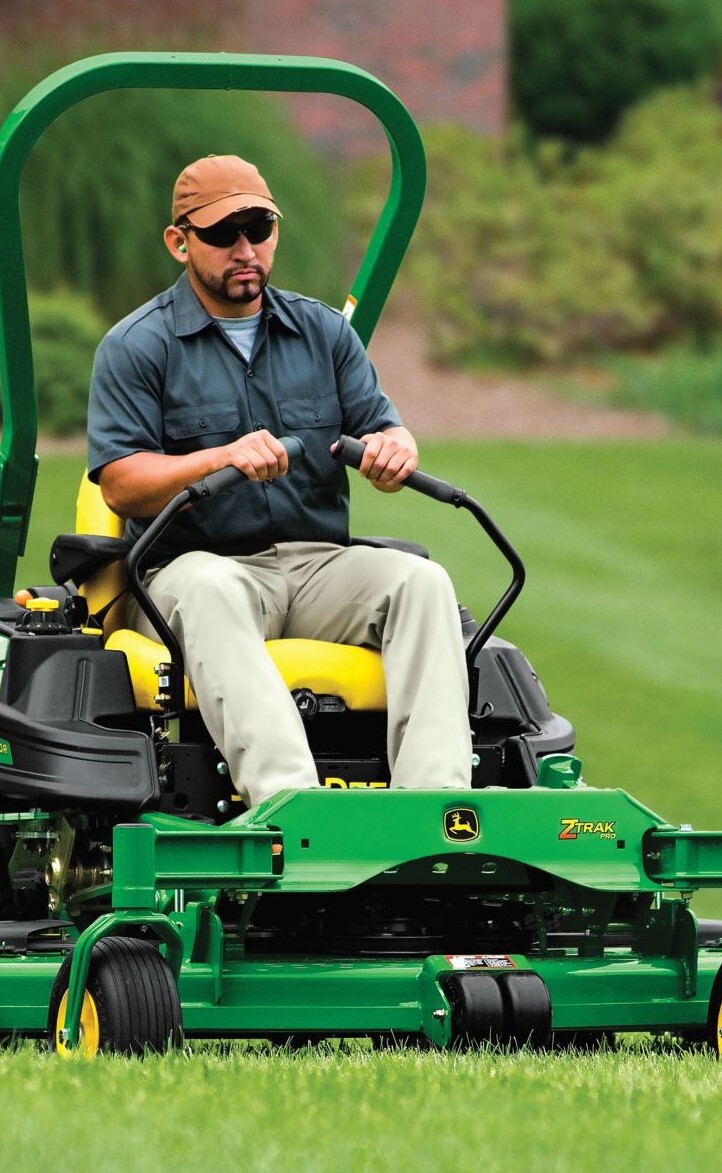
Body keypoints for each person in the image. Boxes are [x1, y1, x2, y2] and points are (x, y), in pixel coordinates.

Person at [87, 154, 473, 807]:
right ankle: (292, 806)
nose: (246, 249)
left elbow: (386, 428)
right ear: (179, 242)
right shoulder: (137, 347)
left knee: (421, 582)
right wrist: (220, 459)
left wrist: (393, 451)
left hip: (317, 564)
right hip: (193, 567)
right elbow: (121, 483)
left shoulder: (324, 333)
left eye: (259, 228)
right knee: (211, 588)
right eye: (222, 234)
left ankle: (434, 808)